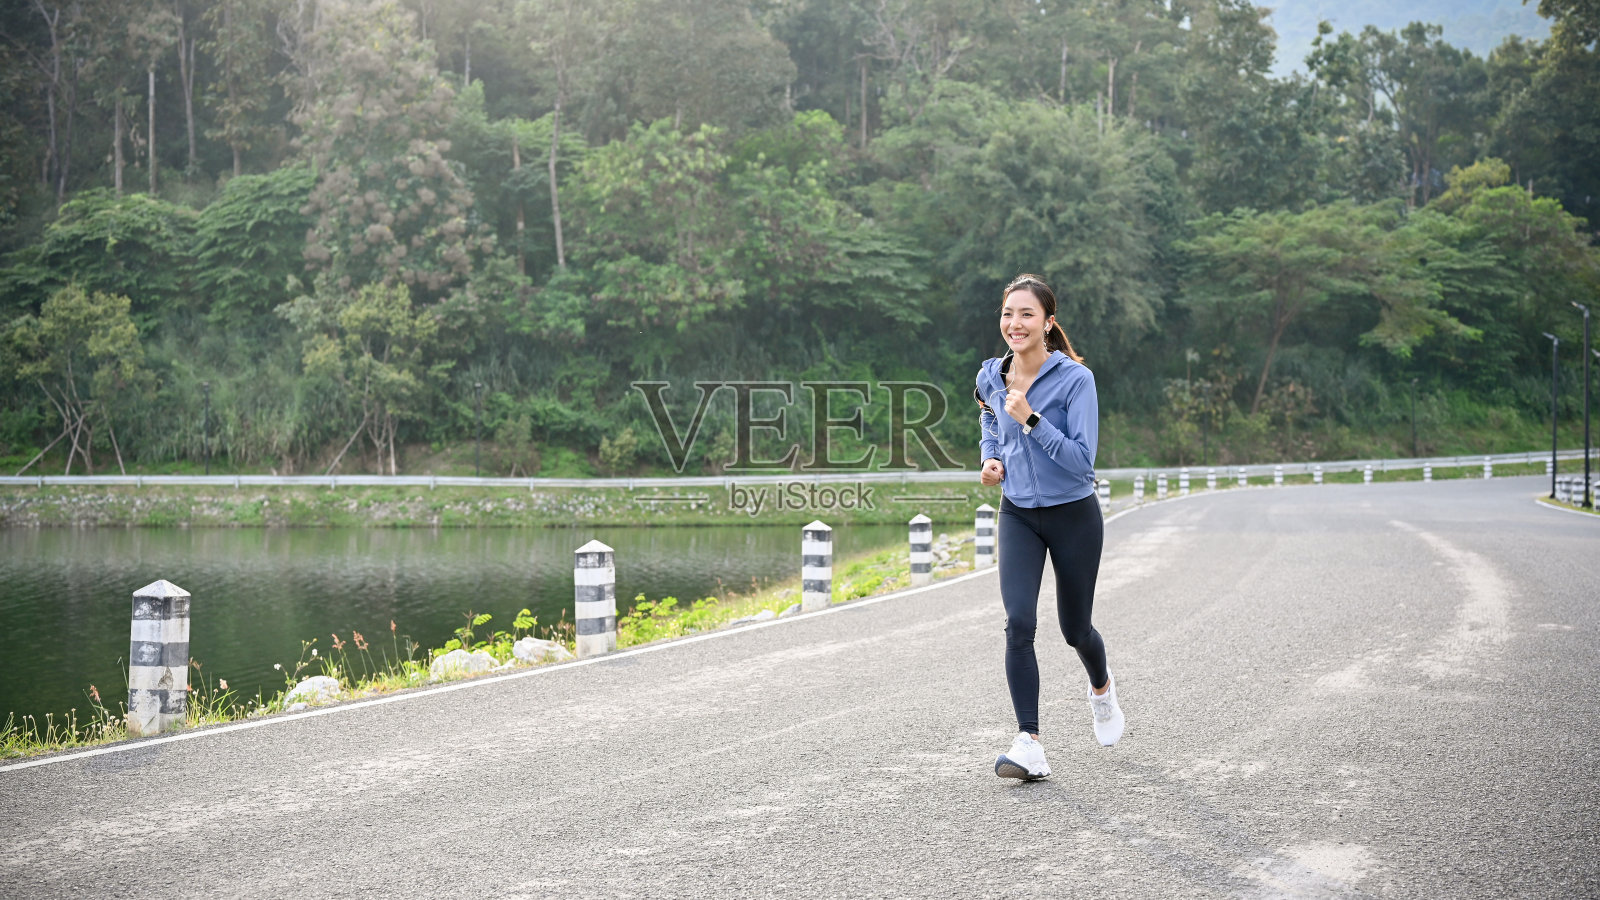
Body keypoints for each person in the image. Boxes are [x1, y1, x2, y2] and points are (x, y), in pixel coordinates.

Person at [974, 273, 1124, 781]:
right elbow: (989, 421)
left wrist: (1032, 419)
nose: (1014, 324)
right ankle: (1029, 743)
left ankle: (1101, 689)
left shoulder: (1077, 381)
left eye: (1026, 315)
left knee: (1074, 629)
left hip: (1073, 514)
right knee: (1019, 623)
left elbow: (1082, 463)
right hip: (1018, 512)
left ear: (1048, 322)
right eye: (1008, 314)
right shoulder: (990, 376)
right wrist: (992, 459)